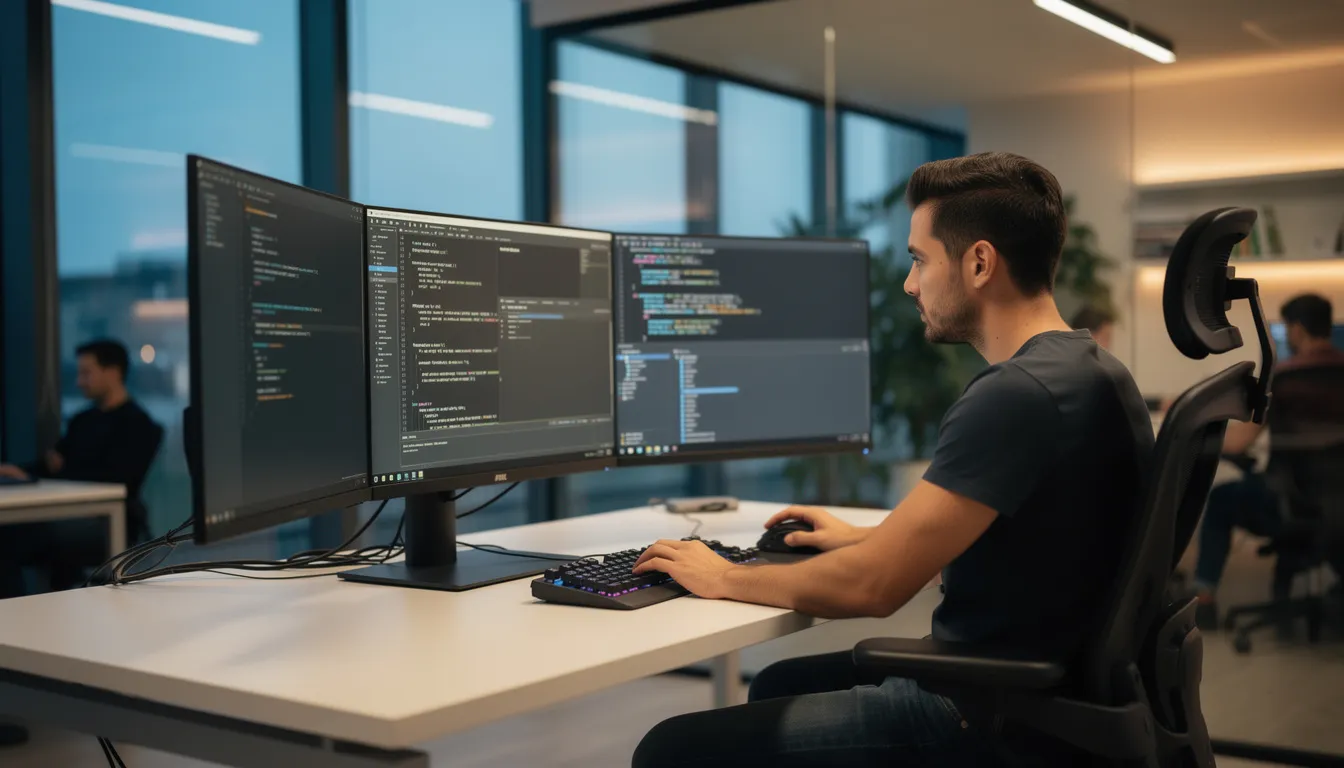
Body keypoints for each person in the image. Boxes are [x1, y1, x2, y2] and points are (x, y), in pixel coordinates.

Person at [629, 153, 1153, 767]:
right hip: (1044, 688)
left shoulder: (1016, 394)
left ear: (979, 263)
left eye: (919, 259)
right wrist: (862, 537)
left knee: (668, 749)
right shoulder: (1089, 369)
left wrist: (723, 577)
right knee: (776, 684)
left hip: (983, 712)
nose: (910, 283)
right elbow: (1028, 539)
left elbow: (874, 587)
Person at [1190, 294, 1344, 621]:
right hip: (1338, 503)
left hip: (1288, 502)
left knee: (1220, 500)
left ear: (1297, 329)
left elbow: (1237, 444)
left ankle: (1204, 602)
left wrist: (1197, 428)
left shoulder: (1283, 379)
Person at [0, 339, 162, 599]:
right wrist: (20, 472)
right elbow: (49, 466)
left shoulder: (137, 426)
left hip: (108, 523)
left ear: (113, 372)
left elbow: (117, 481)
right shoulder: (83, 420)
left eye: (86, 373)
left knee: (12, 537)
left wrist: (64, 469)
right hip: (68, 517)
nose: (79, 382)